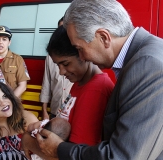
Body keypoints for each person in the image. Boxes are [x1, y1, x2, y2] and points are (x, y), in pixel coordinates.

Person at [29, 0, 163, 159]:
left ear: (103, 37)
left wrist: (57, 149)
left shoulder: (147, 64)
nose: (82, 57)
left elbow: (122, 155)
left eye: (79, 49)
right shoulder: (144, 56)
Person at [22, 26, 114, 159]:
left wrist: (28, 142)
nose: (61, 72)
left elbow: (73, 155)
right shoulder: (80, 83)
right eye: (57, 65)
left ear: (83, 54)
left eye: (65, 64)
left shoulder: (96, 90)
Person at [40, 17, 73, 120]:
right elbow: (46, 84)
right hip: (55, 111)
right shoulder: (50, 58)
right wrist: (44, 111)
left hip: (72, 112)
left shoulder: (81, 56)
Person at [0, 25, 30, 97]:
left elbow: (22, 86)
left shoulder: (18, 59)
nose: (0, 42)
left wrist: (9, 100)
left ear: (9, 42)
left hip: (11, 103)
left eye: (4, 39)